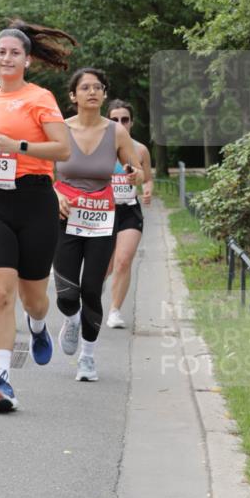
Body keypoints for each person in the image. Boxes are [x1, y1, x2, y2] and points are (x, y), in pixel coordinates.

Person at [0, 19, 75, 413]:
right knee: (0, 292)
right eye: (1, 52)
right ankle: (2, 381)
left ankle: (38, 326)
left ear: (27, 60)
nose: (7, 58)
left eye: (15, 53)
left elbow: (63, 150)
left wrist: (18, 145)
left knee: (34, 299)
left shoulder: (40, 97)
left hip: (35, 201)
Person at [52, 71, 141, 382]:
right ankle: (72, 318)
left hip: (102, 217)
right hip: (65, 215)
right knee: (66, 292)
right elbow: (41, 171)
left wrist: (134, 174)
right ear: (73, 95)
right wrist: (54, 194)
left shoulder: (116, 132)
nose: (92, 92)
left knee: (91, 289)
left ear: (104, 94)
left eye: (97, 87)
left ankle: (87, 358)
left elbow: (137, 169)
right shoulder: (59, 129)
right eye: (85, 87)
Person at [105, 99, 153, 329]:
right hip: (102, 211)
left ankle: (114, 310)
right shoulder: (97, 147)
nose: (120, 123)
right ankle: (94, 290)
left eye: (125, 119)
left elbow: (148, 179)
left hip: (129, 211)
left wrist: (147, 190)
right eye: (114, 120)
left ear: (131, 122)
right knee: (105, 266)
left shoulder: (140, 150)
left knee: (123, 261)